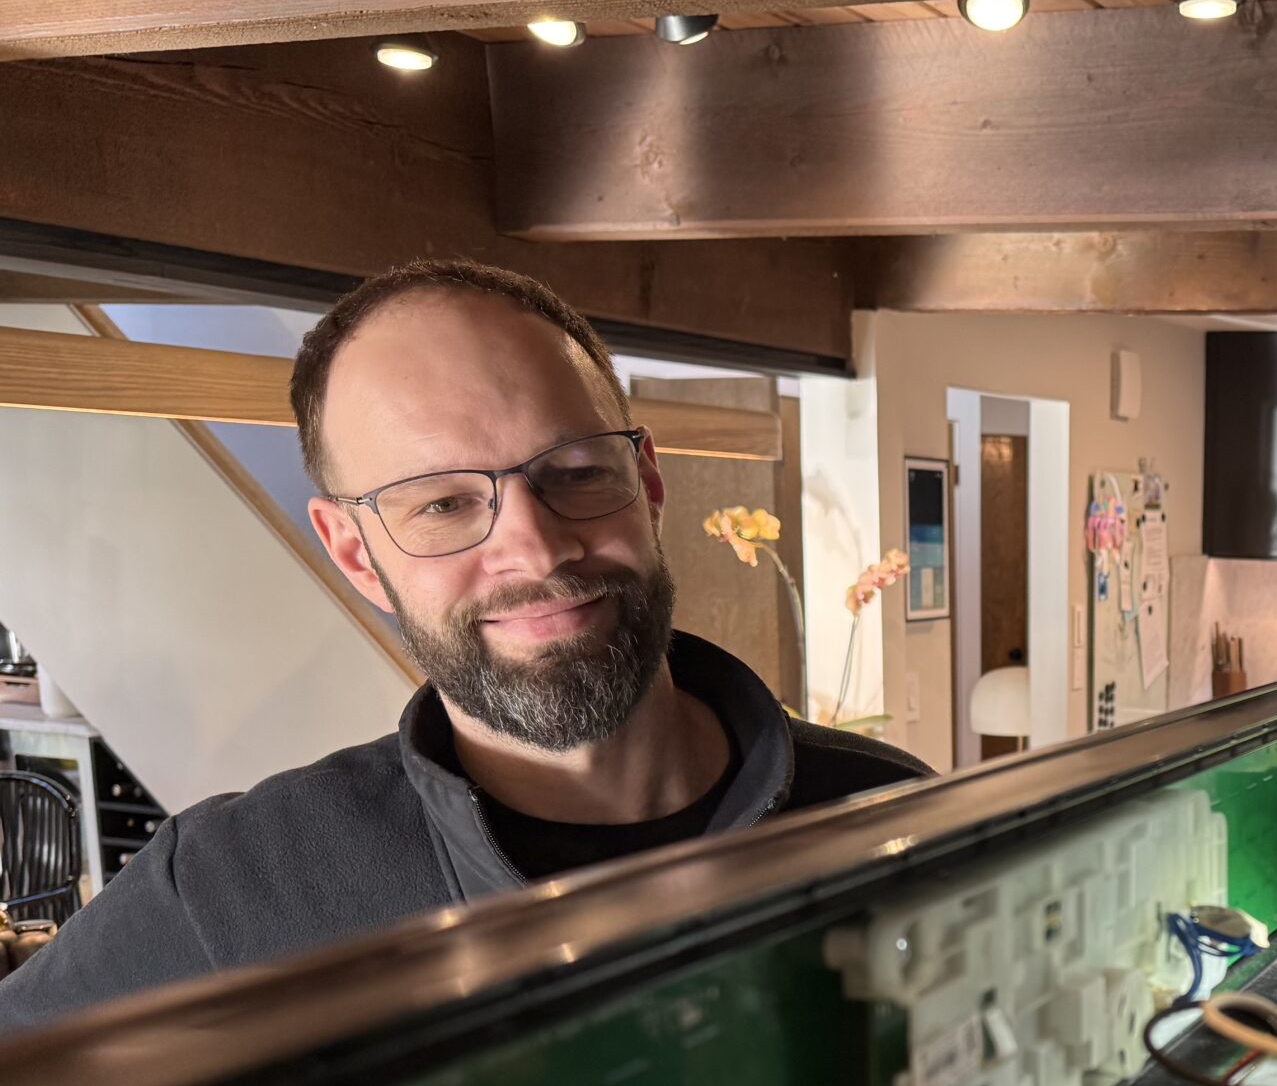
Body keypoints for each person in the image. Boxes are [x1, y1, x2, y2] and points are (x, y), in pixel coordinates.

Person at [0, 259, 927, 1033]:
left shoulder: (894, 812)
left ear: (646, 483)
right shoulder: (237, 886)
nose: (537, 549)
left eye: (576, 472)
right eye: (443, 503)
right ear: (355, 554)